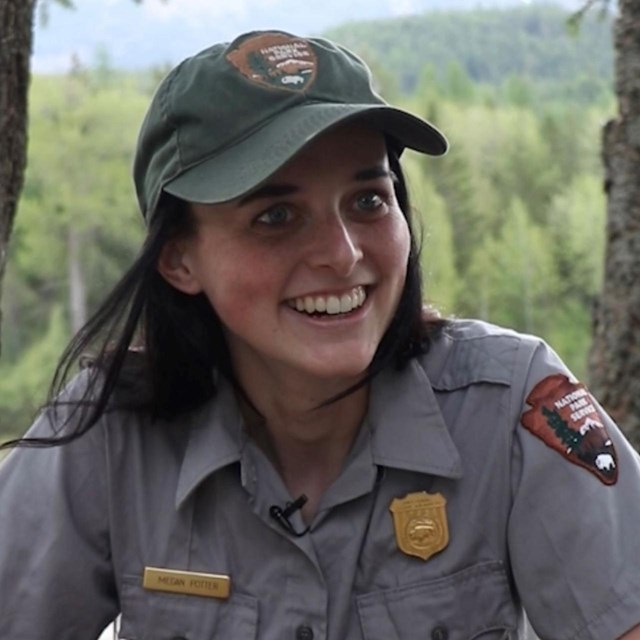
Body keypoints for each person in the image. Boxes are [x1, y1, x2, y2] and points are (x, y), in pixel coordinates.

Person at [0, 29, 639, 640]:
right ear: (179, 259)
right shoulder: (107, 435)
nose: (341, 253)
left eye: (369, 202)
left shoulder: (506, 407)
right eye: (276, 216)